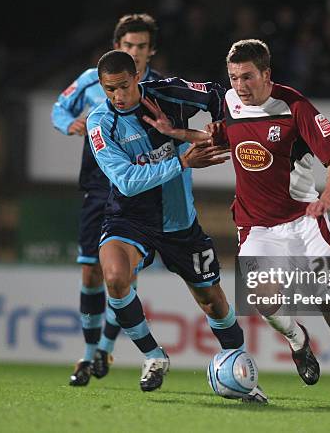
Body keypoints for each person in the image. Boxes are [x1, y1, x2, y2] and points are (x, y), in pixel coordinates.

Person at [206, 39, 330, 409]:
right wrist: (180, 138)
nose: (240, 86)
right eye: (234, 77)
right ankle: (298, 340)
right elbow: (222, 139)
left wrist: (327, 199)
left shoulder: (296, 107)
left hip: (304, 222)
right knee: (263, 300)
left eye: (248, 77)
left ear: (267, 74)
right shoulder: (229, 102)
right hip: (256, 227)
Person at [86, 50, 266, 402]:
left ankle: (243, 373)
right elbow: (126, 181)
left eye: (123, 86)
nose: (118, 96)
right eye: (109, 90)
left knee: (213, 303)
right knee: (115, 277)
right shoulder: (100, 123)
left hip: (179, 222)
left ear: (137, 76)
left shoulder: (167, 92)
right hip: (129, 218)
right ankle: (154, 356)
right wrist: (182, 161)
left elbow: (216, 93)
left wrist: (217, 121)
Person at [51, 14, 163, 387]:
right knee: (89, 272)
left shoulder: (159, 88)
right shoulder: (91, 80)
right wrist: (70, 124)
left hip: (138, 194)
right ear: (118, 48)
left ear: (151, 52)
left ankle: (105, 347)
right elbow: (59, 108)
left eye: (142, 47)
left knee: (122, 274)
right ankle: (88, 353)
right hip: (98, 188)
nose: (135, 52)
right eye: (129, 45)